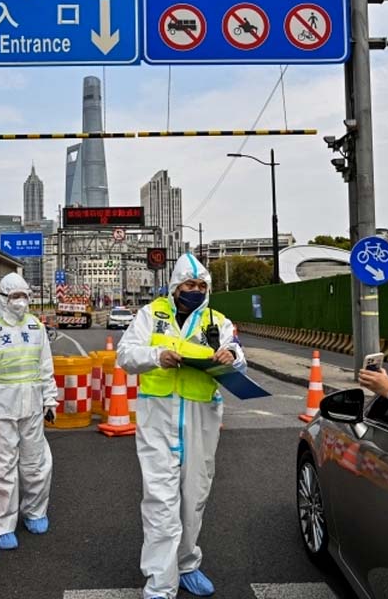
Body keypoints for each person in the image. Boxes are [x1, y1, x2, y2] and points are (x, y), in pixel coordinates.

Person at [118, 254, 246, 599]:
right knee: (160, 499)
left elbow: (239, 355)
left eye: (202, 286)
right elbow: (125, 355)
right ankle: (160, 583)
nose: (196, 290)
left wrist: (231, 356)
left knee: (194, 498)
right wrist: (155, 357)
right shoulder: (151, 315)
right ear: (176, 287)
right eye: (190, 285)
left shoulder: (217, 320)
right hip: (157, 417)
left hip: (201, 420)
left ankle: (187, 563)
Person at [0, 273, 57, 551]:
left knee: (36, 464)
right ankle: (0, 526)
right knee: (0, 470)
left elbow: (45, 367)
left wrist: (50, 400)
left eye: (24, 296)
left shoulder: (36, 327)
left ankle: (35, 512)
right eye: (14, 296)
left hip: (31, 408)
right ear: (3, 298)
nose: (20, 302)